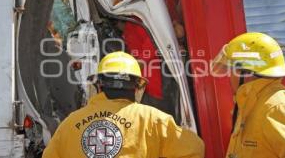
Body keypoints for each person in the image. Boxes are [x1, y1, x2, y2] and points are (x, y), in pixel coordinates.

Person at [42, 51, 204, 158]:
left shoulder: (71, 123)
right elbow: (195, 150)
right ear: (138, 86)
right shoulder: (154, 120)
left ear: (99, 85)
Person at [212, 32, 285, 158]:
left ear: (245, 72)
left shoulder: (276, 108)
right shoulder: (250, 105)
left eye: (232, 70)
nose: (229, 76)